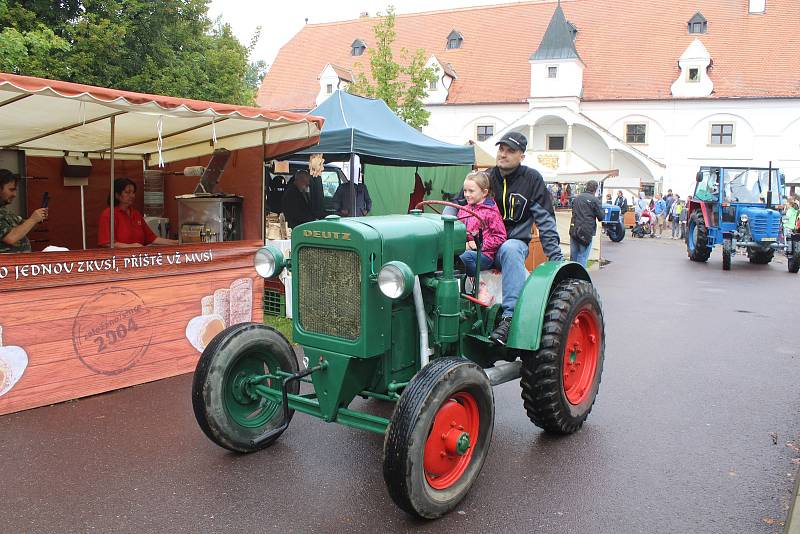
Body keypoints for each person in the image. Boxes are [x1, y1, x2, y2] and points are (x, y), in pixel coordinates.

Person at [448, 132, 563, 345]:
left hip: (511, 244)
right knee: (452, 257)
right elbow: (454, 205)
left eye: (510, 151)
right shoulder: (485, 177)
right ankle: (451, 311)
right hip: (481, 247)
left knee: (510, 248)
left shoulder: (532, 179)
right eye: (501, 149)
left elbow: (545, 220)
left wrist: (556, 259)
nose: (503, 154)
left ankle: (509, 317)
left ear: (522, 156)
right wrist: (443, 234)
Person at [98, 178, 178, 248]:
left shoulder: (136, 214)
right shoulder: (108, 214)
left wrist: (176, 243)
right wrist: (132, 247)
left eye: (133, 192)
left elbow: (152, 238)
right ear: (117, 195)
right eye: (127, 192)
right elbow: (107, 243)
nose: (132, 195)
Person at [457, 170, 506, 276]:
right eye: (465, 191)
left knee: (464, 257)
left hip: (484, 254)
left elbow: (500, 236)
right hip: (466, 249)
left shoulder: (491, 212)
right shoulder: (463, 210)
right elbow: (458, 232)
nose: (467, 195)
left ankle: (476, 283)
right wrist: (461, 244)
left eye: (471, 191)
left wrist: (479, 244)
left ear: (484, 192)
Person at [0, 169, 48, 253]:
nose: (14, 194)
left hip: (18, 264)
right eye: (11, 190)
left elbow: (24, 227)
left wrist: (38, 219)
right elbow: (11, 237)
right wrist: (33, 219)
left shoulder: (5, 212)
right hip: (5, 265)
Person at [568, 180, 604, 267]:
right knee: (582, 256)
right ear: (595, 189)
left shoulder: (577, 198)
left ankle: (570, 277)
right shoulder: (595, 200)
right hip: (586, 231)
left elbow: (574, 212)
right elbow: (601, 217)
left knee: (573, 256)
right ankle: (580, 278)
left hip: (574, 229)